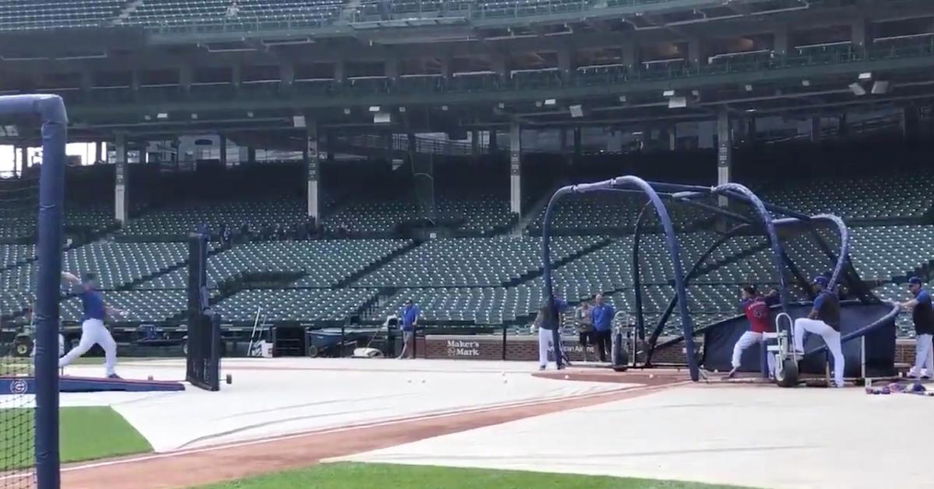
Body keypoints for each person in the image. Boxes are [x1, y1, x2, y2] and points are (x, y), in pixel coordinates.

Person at [58, 272, 126, 378]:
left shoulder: (95, 294)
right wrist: (61, 273)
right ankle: (57, 364)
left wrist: (118, 312)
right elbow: (74, 280)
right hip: (91, 324)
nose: (95, 282)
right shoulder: (86, 291)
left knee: (111, 346)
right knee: (82, 348)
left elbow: (105, 309)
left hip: (99, 325)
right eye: (93, 280)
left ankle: (110, 372)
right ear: (89, 281)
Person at [794, 276, 844, 387]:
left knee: (799, 322)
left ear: (820, 285)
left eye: (816, 284)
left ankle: (799, 348)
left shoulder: (821, 297)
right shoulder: (833, 296)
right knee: (838, 355)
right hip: (835, 329)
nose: (814, 287)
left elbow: (814, 313)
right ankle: (839, 382)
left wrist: (808, 322)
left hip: (825, 326)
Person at [727, 285, 780, 379]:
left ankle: (735, 366)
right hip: (767, 332)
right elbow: (773, 297)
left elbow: (744, 304)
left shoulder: (745, 304)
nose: (743, 295)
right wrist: (770, 294)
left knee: (738, 346)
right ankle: (773, 372)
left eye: (744, 293)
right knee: (770, 351)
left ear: (748, 293)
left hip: (754, 332)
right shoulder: (764, 300)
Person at [897, 277, 933, 380]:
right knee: (929, 352)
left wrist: (901, 305)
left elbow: (914, 302)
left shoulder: (923, 294)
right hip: (923, 328)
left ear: (917, 285)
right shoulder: (919, 295)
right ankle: (930, 372)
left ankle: (916, 372)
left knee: (921, 350)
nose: (910, 288)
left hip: (925, 328)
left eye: (911, 286)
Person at [536, 295, 568, 370]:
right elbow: (540, 314)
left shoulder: (558, 302)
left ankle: (559, 363)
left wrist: (559, 326)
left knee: (557, 346)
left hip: (553, 328)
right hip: (543, 327)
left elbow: (560, 314)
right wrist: (535, 324)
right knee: (543, 347)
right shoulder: (545, 301)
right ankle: (543, 364)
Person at [590, 294, 615, 363]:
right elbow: (592, 319)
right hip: (598, 330)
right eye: (598, 299)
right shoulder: (594, 309)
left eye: (600, 299)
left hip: (607, 329)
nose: (599, 300)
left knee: (608, 344)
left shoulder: (608, 307)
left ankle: (612, 358)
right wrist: (595, 325)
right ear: (595, 300)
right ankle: (602, 358)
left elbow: (612, 315)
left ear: (603, 299)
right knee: (600, 345)